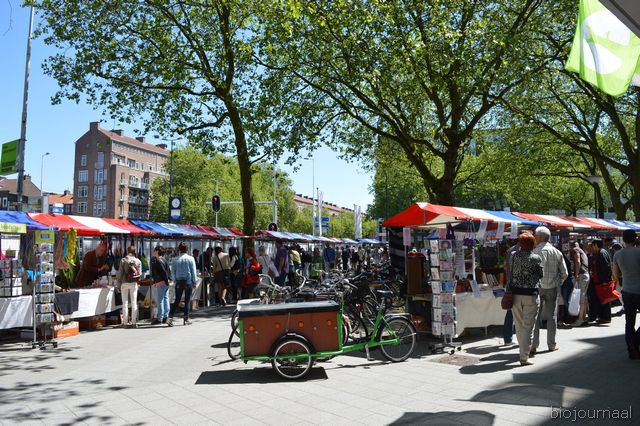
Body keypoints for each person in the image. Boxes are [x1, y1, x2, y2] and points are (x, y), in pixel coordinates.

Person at [531, 227, 568, 355]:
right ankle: (551, 345)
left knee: (535, 317)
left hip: (538, 287)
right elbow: (565, 273)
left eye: (535, 235)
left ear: (540, 237)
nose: (534, 237)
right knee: (552, 316)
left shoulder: (534, 252)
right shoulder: (557, 252)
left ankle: (533, 346)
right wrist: (558, 282)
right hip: (553, 288)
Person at [509, 232, 544, 366]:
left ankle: (522, 351)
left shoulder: (513, 256)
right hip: (531, 295)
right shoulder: (536, 258)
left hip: (515, 294)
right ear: (532, 244)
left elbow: (510, 271)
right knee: (528, 326)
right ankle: (524, 356)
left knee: (518, 325)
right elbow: (540, 274)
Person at [613, 230, 640, 359]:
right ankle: (635, 341)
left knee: (629, 322)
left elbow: (615, 274)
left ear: (623, 240)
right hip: (639, 291)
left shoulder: (617, 254)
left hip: (626, 291)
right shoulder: (638, 252)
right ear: (635, 239)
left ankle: (631, 350)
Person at [168, 242, 198, 326]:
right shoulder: (190, 258)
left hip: (178, 281)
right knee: (187, 301)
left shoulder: (175, 259)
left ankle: (170, 317)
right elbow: (193, 271)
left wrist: (174, 280)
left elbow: (172, 272)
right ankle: (186, 319)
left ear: (179, 249)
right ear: (187, 249)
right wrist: (194, 281)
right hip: (188, 281)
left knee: (177, 300)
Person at [116, 246, 142, 328]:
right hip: (134, 283)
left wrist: (118, 285)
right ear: (134, 251)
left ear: (127, 251)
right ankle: (134, 322)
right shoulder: (138, 261)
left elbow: (120, 274)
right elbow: (140, 274)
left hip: (124, 283)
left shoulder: (123, 260)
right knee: (134, 303)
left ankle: (125, 323)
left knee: (125, 303)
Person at [588, 239, 613, 325]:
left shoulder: (602, 253)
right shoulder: (599, 253)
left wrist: (605, 280)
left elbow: (606, 267)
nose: (592, 247)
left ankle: (605, 317)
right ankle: (602, 317)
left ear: (596, 245)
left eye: (593, 245)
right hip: (598, 281)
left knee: (604, 300)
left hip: (602, 282)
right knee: (600, 300)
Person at [503, 238, 520, 345]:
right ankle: (519, 338)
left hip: (510, 284)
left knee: (510, 312)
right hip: (519, 286)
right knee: (520, 313)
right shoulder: (522, 251)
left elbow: (506, 268)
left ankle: (508, 338)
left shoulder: (510, 250)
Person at [570, 241, 590, 327]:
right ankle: (583, 317)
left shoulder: (575, 250)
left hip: (581, 275)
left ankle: (580, 319)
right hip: (586, 274)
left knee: (581, 297)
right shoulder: (583, 251)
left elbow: (577, 261)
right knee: (584, 296)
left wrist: (577, 274)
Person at [150, 246, 170, 325]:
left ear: (158, 251)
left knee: (160, 300)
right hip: (165, 282)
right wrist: (168, 280)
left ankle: (160, 318)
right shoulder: (164, 259)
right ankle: (165, 316)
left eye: (155, 250)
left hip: (161, 282)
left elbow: (163, 272)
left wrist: (165, 280)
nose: (153, 251)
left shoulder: (158, 260)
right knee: (166, 299)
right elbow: (168, 270)